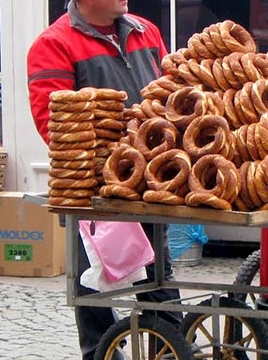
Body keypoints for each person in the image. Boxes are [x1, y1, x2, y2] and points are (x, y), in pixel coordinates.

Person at [26, 1, 182, 359]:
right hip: (91, 194)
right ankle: (100, 354)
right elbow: (56, 126)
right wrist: (116, 156)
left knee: (160, 284)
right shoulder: (54, 44)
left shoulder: (146, 31)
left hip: (151, 187)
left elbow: (172, 97)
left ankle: (170, 353)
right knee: (93, 292)